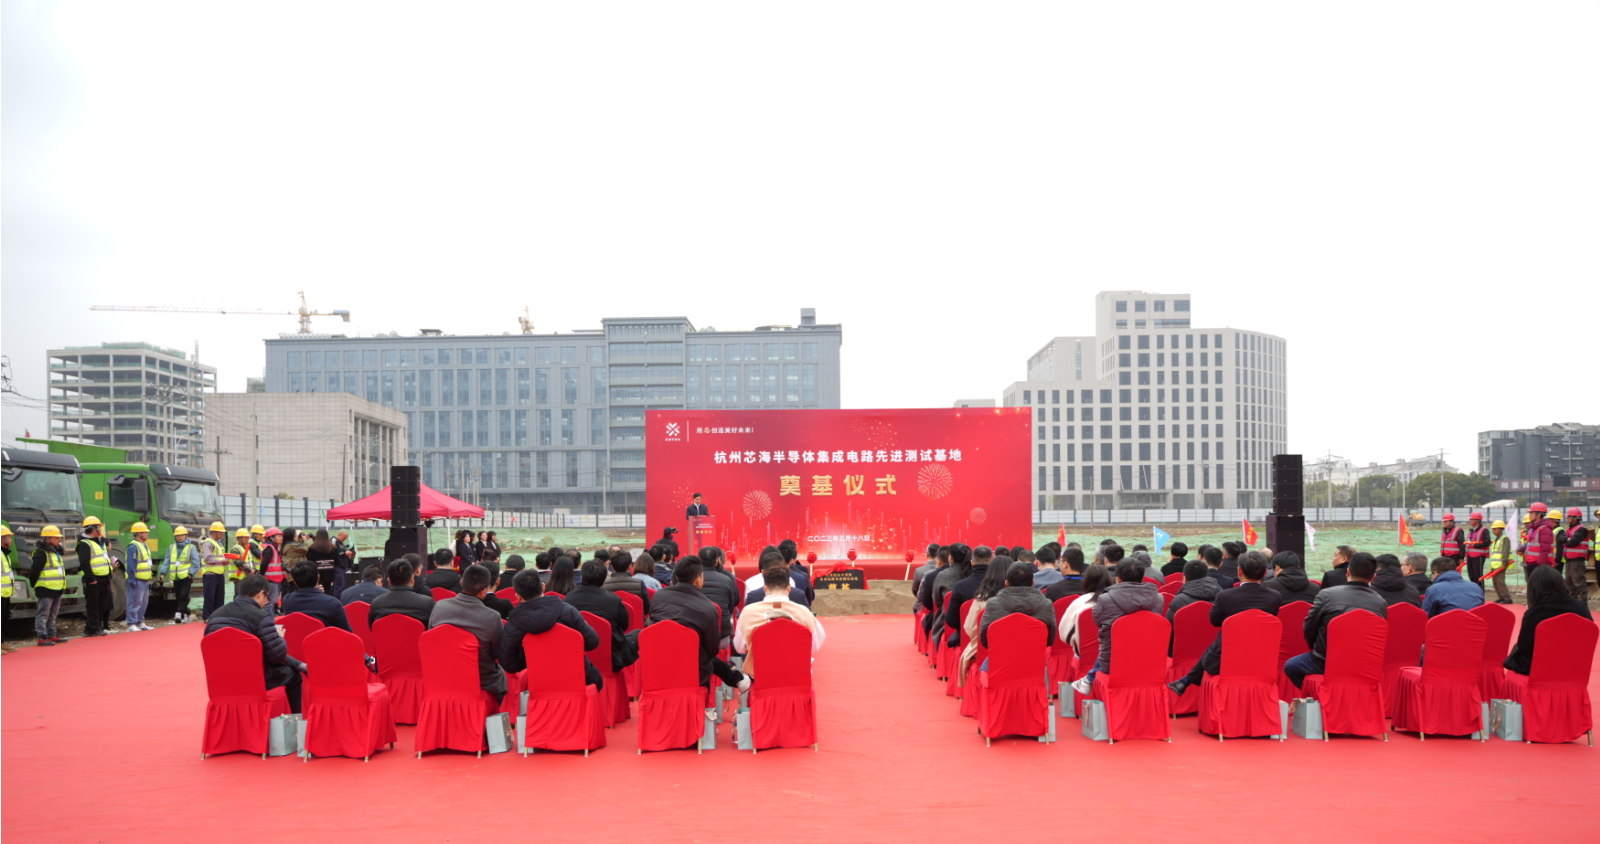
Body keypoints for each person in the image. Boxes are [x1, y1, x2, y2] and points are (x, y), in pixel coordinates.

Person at [1167, 551, 1282, 695]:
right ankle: (1186, 680)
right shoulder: (1275, 597)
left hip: (1226, 658)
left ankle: (1187, 680)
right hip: (1261, 653)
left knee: (1223, 636)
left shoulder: (1225, 596)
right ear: (1265, 572)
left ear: (1239, 571)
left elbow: (1214, 620)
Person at [1284, 552, 1387, 689]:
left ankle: (1318, 696)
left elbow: (1309, 628)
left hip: (1326, 662)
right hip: (1364, 664)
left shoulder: (1327, 595)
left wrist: (1317, 650)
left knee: (1290, 666)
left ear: (1348, 572)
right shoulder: (1380, 602)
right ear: (1373, 577)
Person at [205, 574, 307, 711]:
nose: (266, 602)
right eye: (267, 597)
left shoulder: (215, 615)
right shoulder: (261, 617)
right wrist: (280, 638)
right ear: (260, 594)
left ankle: (300, 665)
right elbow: (277, 656)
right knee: (292, 675)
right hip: (253, 680)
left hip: (222, 679)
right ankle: (293, 720)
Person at [649, 558, 750, 691]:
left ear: (677, 577)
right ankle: (736, 679)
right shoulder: (708, 607)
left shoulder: (658, 597)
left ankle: (736, 678)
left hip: (658, 661)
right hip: (693, 670)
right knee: (700, 652)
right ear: (698, 580)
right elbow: (712, 651)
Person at [500, 569, 602, 690]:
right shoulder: (568, 611)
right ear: (543, 587)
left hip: (537, 684)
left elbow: (508, 664)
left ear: (518, 596)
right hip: (577, 678)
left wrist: (532, 662)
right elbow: (592, 642)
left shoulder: (513, 625)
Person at [1075, 560, 1164, 692]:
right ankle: (1089, 678)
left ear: (1118, 579)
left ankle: (1089, 679)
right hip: (1148, 661)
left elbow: (1098, 622)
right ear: (1142, 577)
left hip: (1113, 663)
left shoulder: (1105, 599)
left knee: (1110, 642)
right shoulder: (1158, 598)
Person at [428, 564, 507, 703]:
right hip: (481, 680)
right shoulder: (492, 617)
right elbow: (496, 654)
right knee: (500, 674)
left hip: (444, 675)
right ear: (484, 591)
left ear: (461, 583)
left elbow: (431, 639)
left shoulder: (439, 606)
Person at [734, 563, 825, 679]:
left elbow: (739, 648)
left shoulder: (748, 612)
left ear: (765, 587)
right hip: (797, 675)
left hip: (761, 676)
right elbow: (815, 645)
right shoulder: (803, 612)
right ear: (789, 588)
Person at [1503, 565, 1593, 676]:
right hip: (1574, 668)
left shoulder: (1534, 613)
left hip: (1542, 670)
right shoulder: (1581, 607)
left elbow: (1524, 647)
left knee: (1517, 650)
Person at [564, 559, 637, 674]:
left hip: (577, 657)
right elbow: (625, 626)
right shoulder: (613, 600)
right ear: (604, 581)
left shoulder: (568, 598)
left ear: (582, 578)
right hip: (612, 658)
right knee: (638, 634)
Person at [978, 561, 1056, 647]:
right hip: (1035, 654)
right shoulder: (1046, 605)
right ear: (1033, 583)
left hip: (1002, 654)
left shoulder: (992, 604)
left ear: (1006, 583)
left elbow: (984, 640)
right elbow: (1049, 641)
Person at [27, 525, 69, 646]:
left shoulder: (56, 552)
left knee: (53, 614)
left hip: (57, 588)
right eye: (57, 537)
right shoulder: (41, 553)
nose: (59, 540)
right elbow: (34, 571)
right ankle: (42, 637)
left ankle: (51, 634)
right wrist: (35, 585)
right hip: (45, 588)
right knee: (43, 614)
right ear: (48, 538)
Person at [944, 545, 995, 645]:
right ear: (992, 561)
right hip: (993, 639)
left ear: (972, 562)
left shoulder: (960, 586)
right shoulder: (1000, 585)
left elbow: (951, 620)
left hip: (966, 638)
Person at [280, 562, 352, 631]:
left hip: (298, 639)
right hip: (324, 639)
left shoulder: (287, 600)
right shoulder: (333, 603)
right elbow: (346, 632)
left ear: (295, 583)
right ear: (318, 577)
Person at [1058, 564, 1112, 657]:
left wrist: (1079, 643)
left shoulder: (1079, 602)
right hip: (1112, 656)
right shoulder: (1116, 602)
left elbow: (1064, 634)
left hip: (1083, 657)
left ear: (1086, 581)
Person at [76, 516, 115, 636]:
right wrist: (91, 579)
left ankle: (90, 629)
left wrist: (109, 576)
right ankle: (94, 627)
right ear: (93, 528)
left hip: (104, 578)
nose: (100, 529)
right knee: (93, 605)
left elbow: (105, 559)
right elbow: (84, 563)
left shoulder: (99, 542)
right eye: (99, 527)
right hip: (94, 579)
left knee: (102, 604)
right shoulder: (84, 544)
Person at [368, 558, 435, 625]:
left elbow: (373, 627)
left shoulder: (376, 604)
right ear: (412, 579)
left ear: (389, 581)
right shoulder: (427, 603)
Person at [741, 552, 810, 609]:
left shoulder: (752, 596)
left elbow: (743, 620)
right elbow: (810, 619)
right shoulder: (799, 595)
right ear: (789, 587)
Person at [161, 525, 201, 623]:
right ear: (175, 537)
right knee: (179, 596)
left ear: (186, 536)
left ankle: (178, 613)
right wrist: (163, 573)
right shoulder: (171, 548)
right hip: (176, 577)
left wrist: (191, 573)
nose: (180, 537)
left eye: (182, 535)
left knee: (183, 595)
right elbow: (167, 561)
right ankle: (186, 614)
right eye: (178, 535)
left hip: (187, 577)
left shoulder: (191, 547)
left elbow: (196, 563)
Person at [1421, 556, 1485, 616]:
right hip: (1475, 623)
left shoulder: (1433, 590)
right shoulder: (1475, 587)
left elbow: (1426, 615)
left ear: (1435, 573)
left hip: (1448, 623)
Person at [197, 521, 231, 622]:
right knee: (210, 597)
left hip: (219, 574)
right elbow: (207, 558)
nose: (222, 534)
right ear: (215, 532)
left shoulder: (218, 544)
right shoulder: (208, 543)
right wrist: (221, 561)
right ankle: (207, 616)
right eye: (221, 532)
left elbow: (218, 556)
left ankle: (218, 616)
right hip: (210, 574)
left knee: (219, 597)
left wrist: (224, 560)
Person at [1560, 507, 1590, 601]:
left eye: (1569, 516)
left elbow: (1573, 542)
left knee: (1579, 584)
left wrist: (1566, 541)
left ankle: (1583, 605)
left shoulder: (1581, 530)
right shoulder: (1568, 529)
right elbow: (1560, 539)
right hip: (1569, 560)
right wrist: (1567, 540)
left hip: (1577, 560)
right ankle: (1574, 605)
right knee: (1570, 585)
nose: (1567, 518)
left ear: (1575, 518)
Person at [1482, 520, 1515, 604]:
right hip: (1495, 565)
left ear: (1501, 529)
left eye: (1495, 529)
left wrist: (1504, 563)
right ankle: (1501, 597)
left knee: (1501, 582)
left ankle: (1507, 598)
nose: (1493, 531)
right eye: (1493, 529)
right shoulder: (1496, 540)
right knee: (1495, 583)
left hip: (1501, 565)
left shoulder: (1504, 539)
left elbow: (1505, 552)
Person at [258, 527, 286, 612]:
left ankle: (269, 617)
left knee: (272, 601)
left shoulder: (275, 548)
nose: (281, 538)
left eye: (281, 536)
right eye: (279, 536)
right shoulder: (269, 549)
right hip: (271, 580)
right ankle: (268, 618)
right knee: (270, 602)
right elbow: (264, 563)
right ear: (272, 538)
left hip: (276, 579)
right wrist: (262, 576)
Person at [1462, 512, 1492, 590]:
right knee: (1471, 575)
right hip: (1470, 556)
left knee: (1478, 576)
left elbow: (1487, 542)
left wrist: (1475, 545)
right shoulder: (1471, 531)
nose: (1470, 521)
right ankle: (1474, 592)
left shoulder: (1484, 530)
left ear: (1477, 520)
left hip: (1479, 556)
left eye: (1471, 519)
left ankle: (1480, 593)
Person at [306, 529, 341, 596]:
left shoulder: (312, 548)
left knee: (317, 591)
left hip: (316, 574)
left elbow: (309, 562)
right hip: (329, 574)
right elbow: (337, 562)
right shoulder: (333, 548)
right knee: (328, 591)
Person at [1520, 502, 1555, 568]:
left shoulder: (1545, 529)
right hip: (1531, 563)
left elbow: (1545, 550)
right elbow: (1531, 545)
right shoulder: (1532, 529)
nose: (1529, 515)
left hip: (1539, 565)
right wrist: (1522, 549)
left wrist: (1539, 566)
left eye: (1531, 513)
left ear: (1538, 515)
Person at [1, 526, 15, 651]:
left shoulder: (5, 554)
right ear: (2, 538)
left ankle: (1, 642)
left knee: (4, 619)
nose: (11, 540)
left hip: (5, 593)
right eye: (8, 537)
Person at [333, 530, 357, 597]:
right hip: (338, 566)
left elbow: (343, 552)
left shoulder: (341, 543)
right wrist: (344, 553)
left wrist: (349, 553)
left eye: (345, 538)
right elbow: (333, 553)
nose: (344, 540)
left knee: (342, 586)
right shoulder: (334, 541)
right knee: (339, 586)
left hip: (343, 567)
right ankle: (337, 600)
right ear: (339, 535)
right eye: (344, 538)